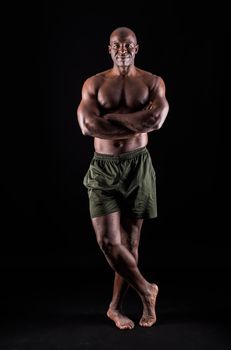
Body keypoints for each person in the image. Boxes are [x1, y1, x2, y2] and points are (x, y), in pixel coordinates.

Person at [77, 26, 169, 330]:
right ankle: (147, 289)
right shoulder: (94, 83)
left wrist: (113, 119)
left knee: (130, 243)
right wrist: (136, 123)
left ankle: (115, 308)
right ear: (109, 49)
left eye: (128, 46)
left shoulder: (152, 82)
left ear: (137, 48)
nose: (122, 51)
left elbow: (155, 120)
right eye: (117, 46)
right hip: (104, 167)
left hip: (138, 165)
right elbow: (89, 125)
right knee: (107, 241)